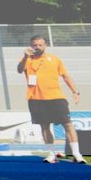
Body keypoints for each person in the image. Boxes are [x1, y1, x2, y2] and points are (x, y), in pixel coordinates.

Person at [17, 34, 83, 163]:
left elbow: (65, 76)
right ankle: (51, 153)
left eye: (40, 44)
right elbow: (20, 70)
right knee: (44, 126)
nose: (37, 47)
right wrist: (25, 56)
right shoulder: (26, 59)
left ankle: (77, 154)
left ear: (45, 45)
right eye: (34, 45)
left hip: (56, 97)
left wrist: (75, 91)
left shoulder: (54, 59)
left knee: (68, 124)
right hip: (36, 98)